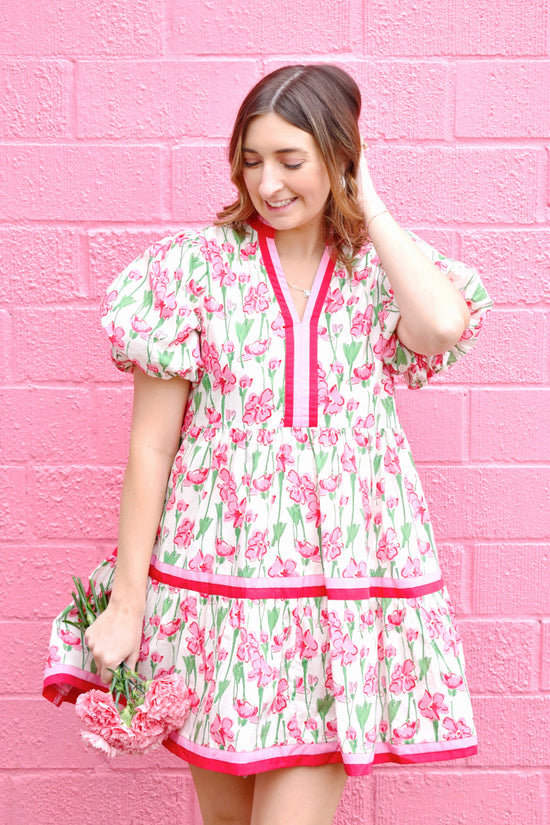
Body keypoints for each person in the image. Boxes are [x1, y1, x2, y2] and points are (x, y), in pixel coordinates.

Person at [44, 64, 492, 825]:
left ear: (340, 155)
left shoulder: (378, 272)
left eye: (293, 159)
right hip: (216, 589)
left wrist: (368, 202)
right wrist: (126, 602)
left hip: (336, 598)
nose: (269, 184)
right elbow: (151, 448)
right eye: (253, 160)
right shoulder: (191, 270)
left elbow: (443, 327)